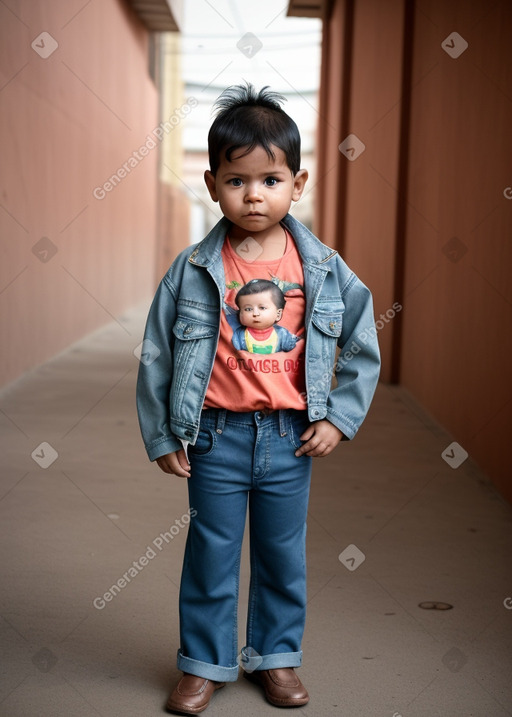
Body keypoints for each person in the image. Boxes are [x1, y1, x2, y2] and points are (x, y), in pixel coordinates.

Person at [136, 83, 380, 714]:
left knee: (281, 554)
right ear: (214, 184)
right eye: (237, 181)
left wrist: (341, 418)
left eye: (269, 179)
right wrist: (164, 434)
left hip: (288, 437)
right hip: (214, 434)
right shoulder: (194, 269)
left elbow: (360, 340)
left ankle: (275, 657)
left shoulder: (321, 268)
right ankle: (204, 663)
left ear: (296, 184)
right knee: (210, 552)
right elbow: (158, 352)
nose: (253, 195)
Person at [231, 278, 302, 354]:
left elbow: (294, 353)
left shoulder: (283, 335)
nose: (255, 313)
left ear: (278, 314)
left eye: (262, 308)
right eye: (248, 309)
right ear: (240, 314)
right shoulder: (239, 336)